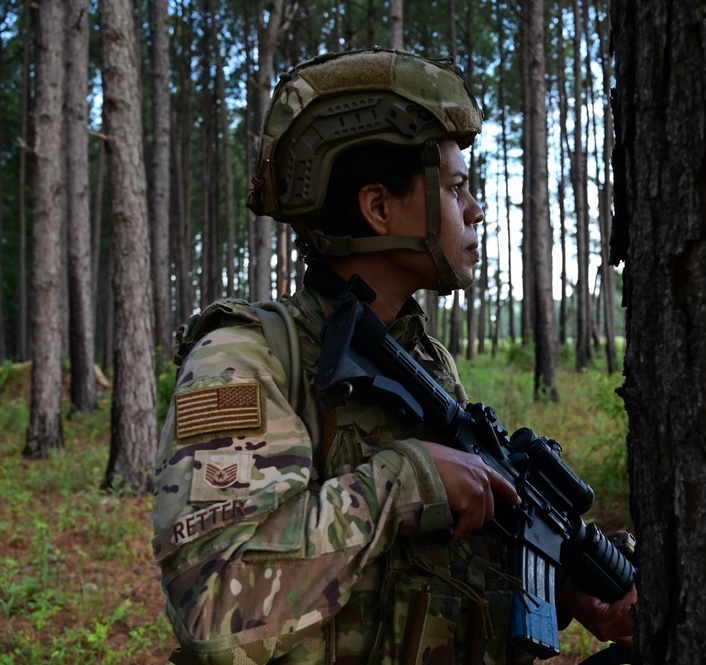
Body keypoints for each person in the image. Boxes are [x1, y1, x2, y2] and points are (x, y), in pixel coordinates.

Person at [152, 48, 637, 665]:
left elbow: (436, 562)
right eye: (457, 187)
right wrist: (400, 482)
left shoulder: (425, 364)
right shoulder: (248, 358)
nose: (477, 210)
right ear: (378, 209)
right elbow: (215, 607)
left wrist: (564, 588)